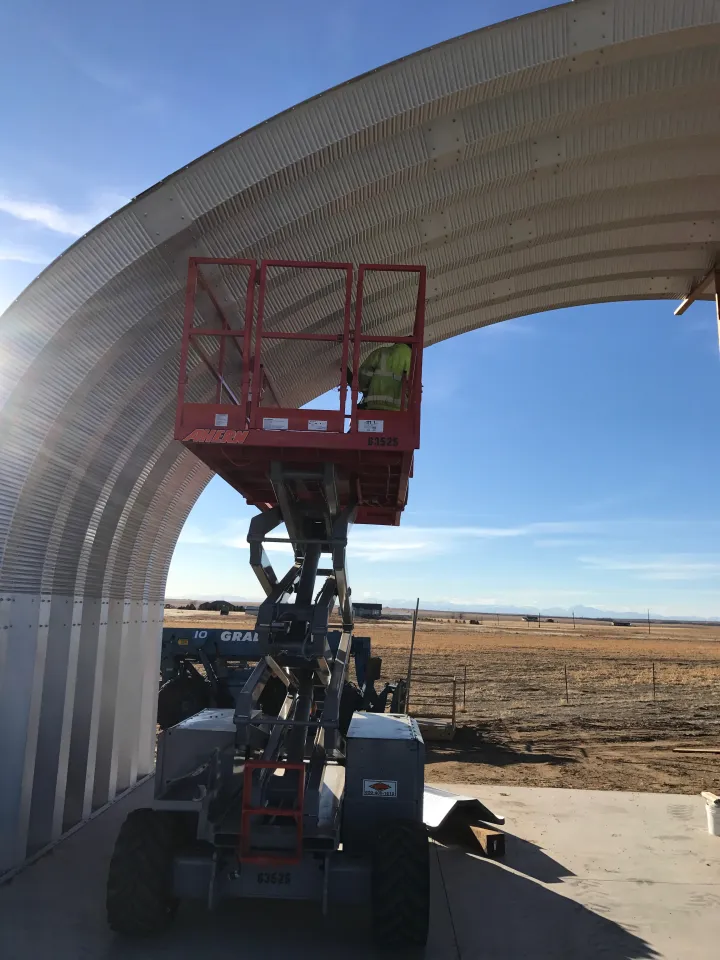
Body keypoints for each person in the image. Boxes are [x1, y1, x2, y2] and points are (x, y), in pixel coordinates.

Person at [357, 342, 412, 411]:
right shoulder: (415, 363)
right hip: (399, 410)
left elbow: (364, 373)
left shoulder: (382, 352)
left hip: (375, 405)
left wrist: (365, 390)